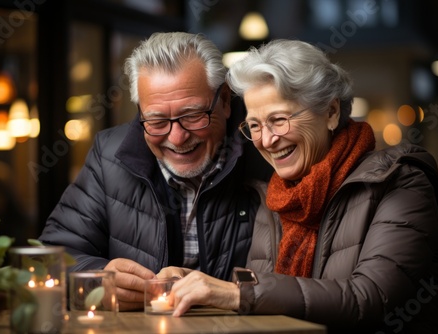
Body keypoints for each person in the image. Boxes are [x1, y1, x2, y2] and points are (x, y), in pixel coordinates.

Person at [158, 39, 438, 333]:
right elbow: (267, 302)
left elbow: (369, 300)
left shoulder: (401, 182)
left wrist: (235, 293)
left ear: (331, 113)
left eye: (279, 119)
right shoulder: (275, 197)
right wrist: (196, 282)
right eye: (255, 125)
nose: (266, 140)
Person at [38, 32, 278, 311]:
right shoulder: (109, 155)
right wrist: (97, 282)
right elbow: (47, 259)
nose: (176, 138)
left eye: (192, 115)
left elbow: (306, 282)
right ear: (140, 113)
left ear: (224, 101)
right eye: (157, 121)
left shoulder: (268, 151)